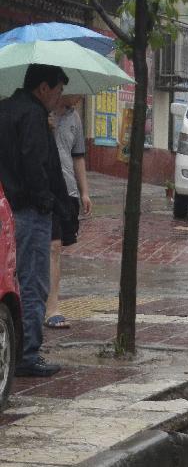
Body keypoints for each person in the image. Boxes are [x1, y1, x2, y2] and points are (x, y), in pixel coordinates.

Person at [0, 64, 70, 377]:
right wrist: (46, 202)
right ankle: (27, 353)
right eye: (58, 90)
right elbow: (34, 164)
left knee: (8, 282)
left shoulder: (5, 110)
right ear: (43, 88)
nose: (59, 98)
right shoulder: (32, 116)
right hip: (29, 212)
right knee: (32, 282)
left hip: (6, 207)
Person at [45, 94, 92, 330]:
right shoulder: (42, 112)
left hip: (67, 191)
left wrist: (84, 191)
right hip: (43, 189)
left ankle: (49, 303)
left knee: (56, 248)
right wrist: (45, 126)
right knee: (51, 247)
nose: (82, 97)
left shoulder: (74, 117)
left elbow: (78, 157)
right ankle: (50, 307)